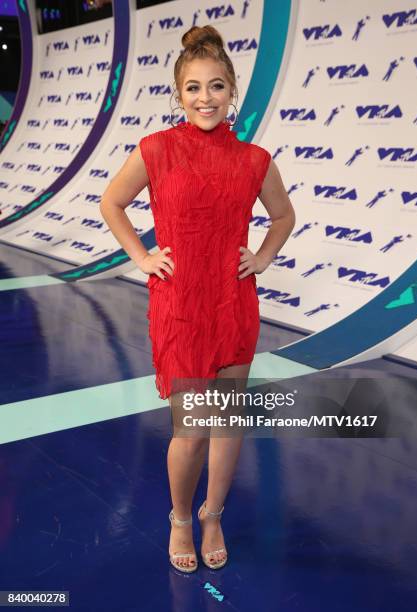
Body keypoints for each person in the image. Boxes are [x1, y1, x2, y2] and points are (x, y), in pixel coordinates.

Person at [100, 25, 295, 573]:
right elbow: (112, 203)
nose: (204, 98)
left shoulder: (255, 160)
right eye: (193, 88)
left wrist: (260, 257)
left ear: (232, 91)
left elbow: (284, 217)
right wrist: (142, 259)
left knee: (228, 422)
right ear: (178, 93)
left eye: (215, 86)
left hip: (233, 304)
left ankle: (214, 514)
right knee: (191, 430)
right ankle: (181, 518)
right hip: (181, 308)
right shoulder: (157, 150)